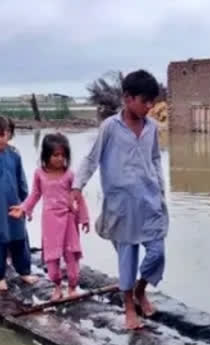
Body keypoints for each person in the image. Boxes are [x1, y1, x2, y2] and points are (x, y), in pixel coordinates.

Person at [71, 69, 168, 330]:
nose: (149, 107)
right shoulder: (110, 128)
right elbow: (92, 159)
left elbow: (156, 159)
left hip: (149, 201)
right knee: (128, 256)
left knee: (157, 252)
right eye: (144, 101)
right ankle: (128, 307)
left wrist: (161, 188)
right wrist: (77, 187)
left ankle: (140, 289)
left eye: (152, 101)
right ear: (127, 98)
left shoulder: (151, 128)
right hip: (121, 205)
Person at [10, 133, 90, 300]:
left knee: (71, 256)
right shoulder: (40, 174)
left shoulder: (70, 175)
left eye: (63, 155)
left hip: (68, 220)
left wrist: (84, 218)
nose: (59, 159)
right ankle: (57, 286)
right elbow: (35, 194)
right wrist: (24, 208)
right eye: (55, 155)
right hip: (50, 222)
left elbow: (79, 197)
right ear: (46, 155)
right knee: (52, 258)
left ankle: (73, 287)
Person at [0, 116, 37, 291]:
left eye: (2, 135)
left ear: (8, 134)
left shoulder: (15, 157)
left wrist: (27, 206)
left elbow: (22, 183)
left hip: (15, 207)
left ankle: (24, 271)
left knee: (20, 239)